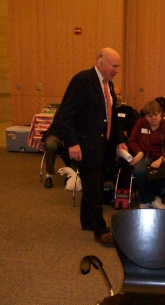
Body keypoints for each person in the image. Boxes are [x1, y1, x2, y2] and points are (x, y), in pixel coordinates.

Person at [44, 47, 127, 246]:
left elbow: (111, 118)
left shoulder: (108, 85)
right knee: (93, 187)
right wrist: (72, 142)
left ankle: (87, 221)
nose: (116, 70)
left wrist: (119, 140)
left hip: (103, 144)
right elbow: (65, 114)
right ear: (101, 62)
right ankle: (99, 229)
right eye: (114, 66)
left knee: (95, 183)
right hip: (86, 145)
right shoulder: (82, 80)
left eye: (118, 66)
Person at [128, 100, 165, 209]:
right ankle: (148, 199)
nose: (153, 118)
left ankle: (156, 197)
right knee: (139, 171)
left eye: (156, 115)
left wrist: (162, 159)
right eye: (150, 116)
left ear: (160, 114)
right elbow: (132, 141)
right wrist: (139, 152)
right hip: (145, 155)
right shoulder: (140, 123)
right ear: (145, 116)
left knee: (163, 173)